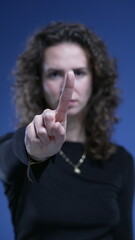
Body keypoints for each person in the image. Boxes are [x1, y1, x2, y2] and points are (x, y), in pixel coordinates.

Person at [0, 22, 134, 240]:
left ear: (95, 79)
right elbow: (8, 156)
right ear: (38, 82)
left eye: (79, 73)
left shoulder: (120, 161)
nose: (67, 85)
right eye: (54, 74)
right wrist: (34, 151)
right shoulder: (16, 154)